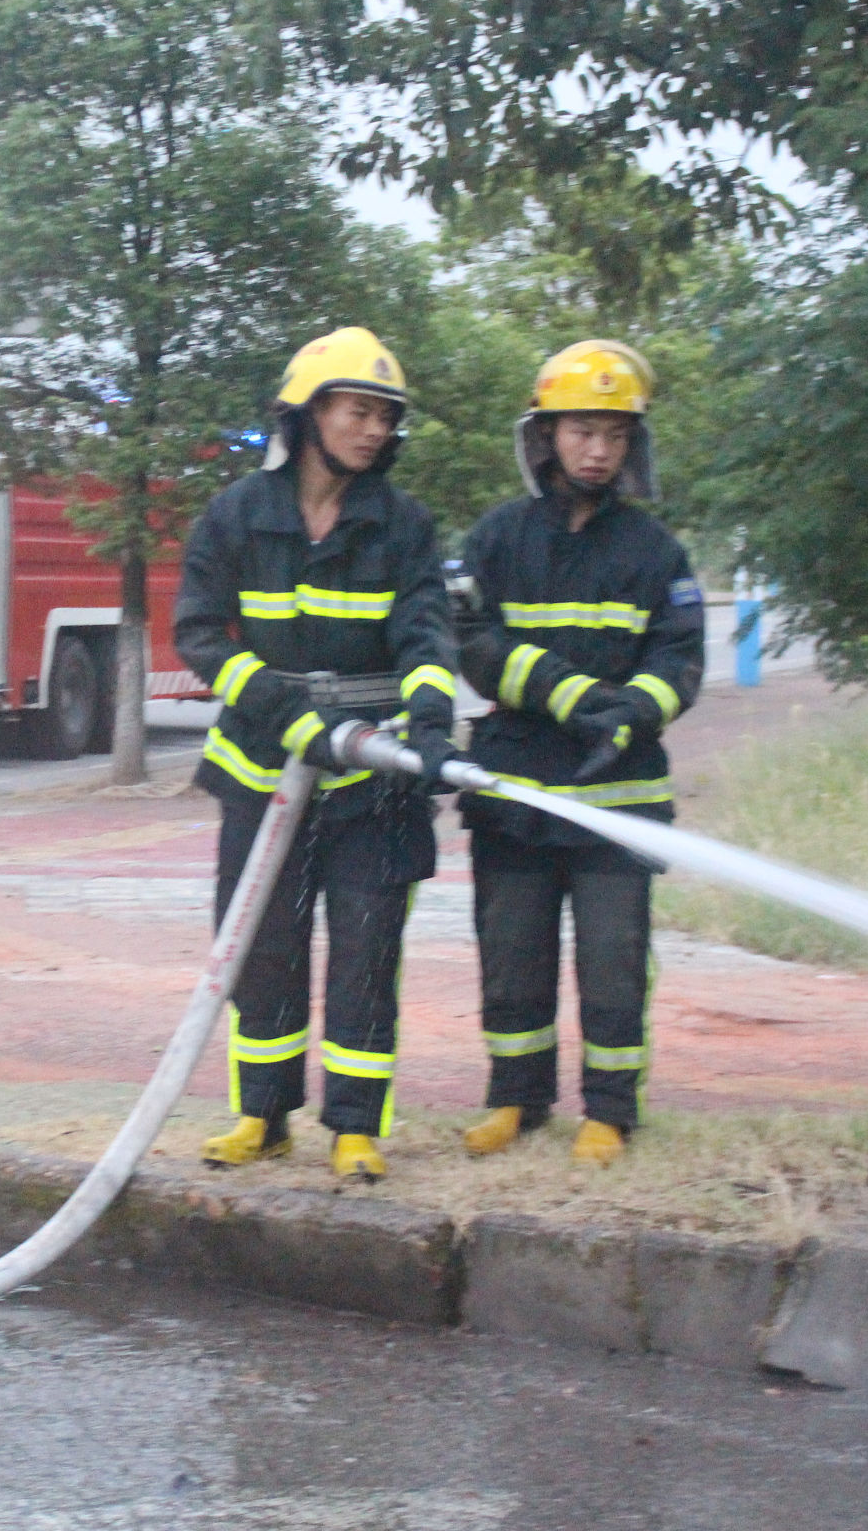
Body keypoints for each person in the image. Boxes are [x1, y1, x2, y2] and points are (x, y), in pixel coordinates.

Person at [173, 327, 460, 1184]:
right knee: (263, 949)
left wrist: (433, 721)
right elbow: (198, 634)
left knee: (368, 948)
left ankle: (354, 1127)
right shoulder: (235, 514)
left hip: (371, 784)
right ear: (307, 414)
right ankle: (261, 1117)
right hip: (261, 768)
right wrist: (284, 709)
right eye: (357, 411)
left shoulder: (401, 525)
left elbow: (423, 633)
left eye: (384, 417)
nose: (373, 430)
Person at [453, 340, 704, 1166]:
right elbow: (472, 640)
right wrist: (565, 694)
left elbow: (681, 659)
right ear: (545, 436)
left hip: (618, 798)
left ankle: (609, 1111)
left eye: (615, 434)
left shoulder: (656, 553)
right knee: (511, 958)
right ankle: (514, 1101)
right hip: (516, 795)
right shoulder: (494, 538)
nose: (598, 450)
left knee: (612, 963)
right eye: (582, 431)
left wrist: (630, 714)